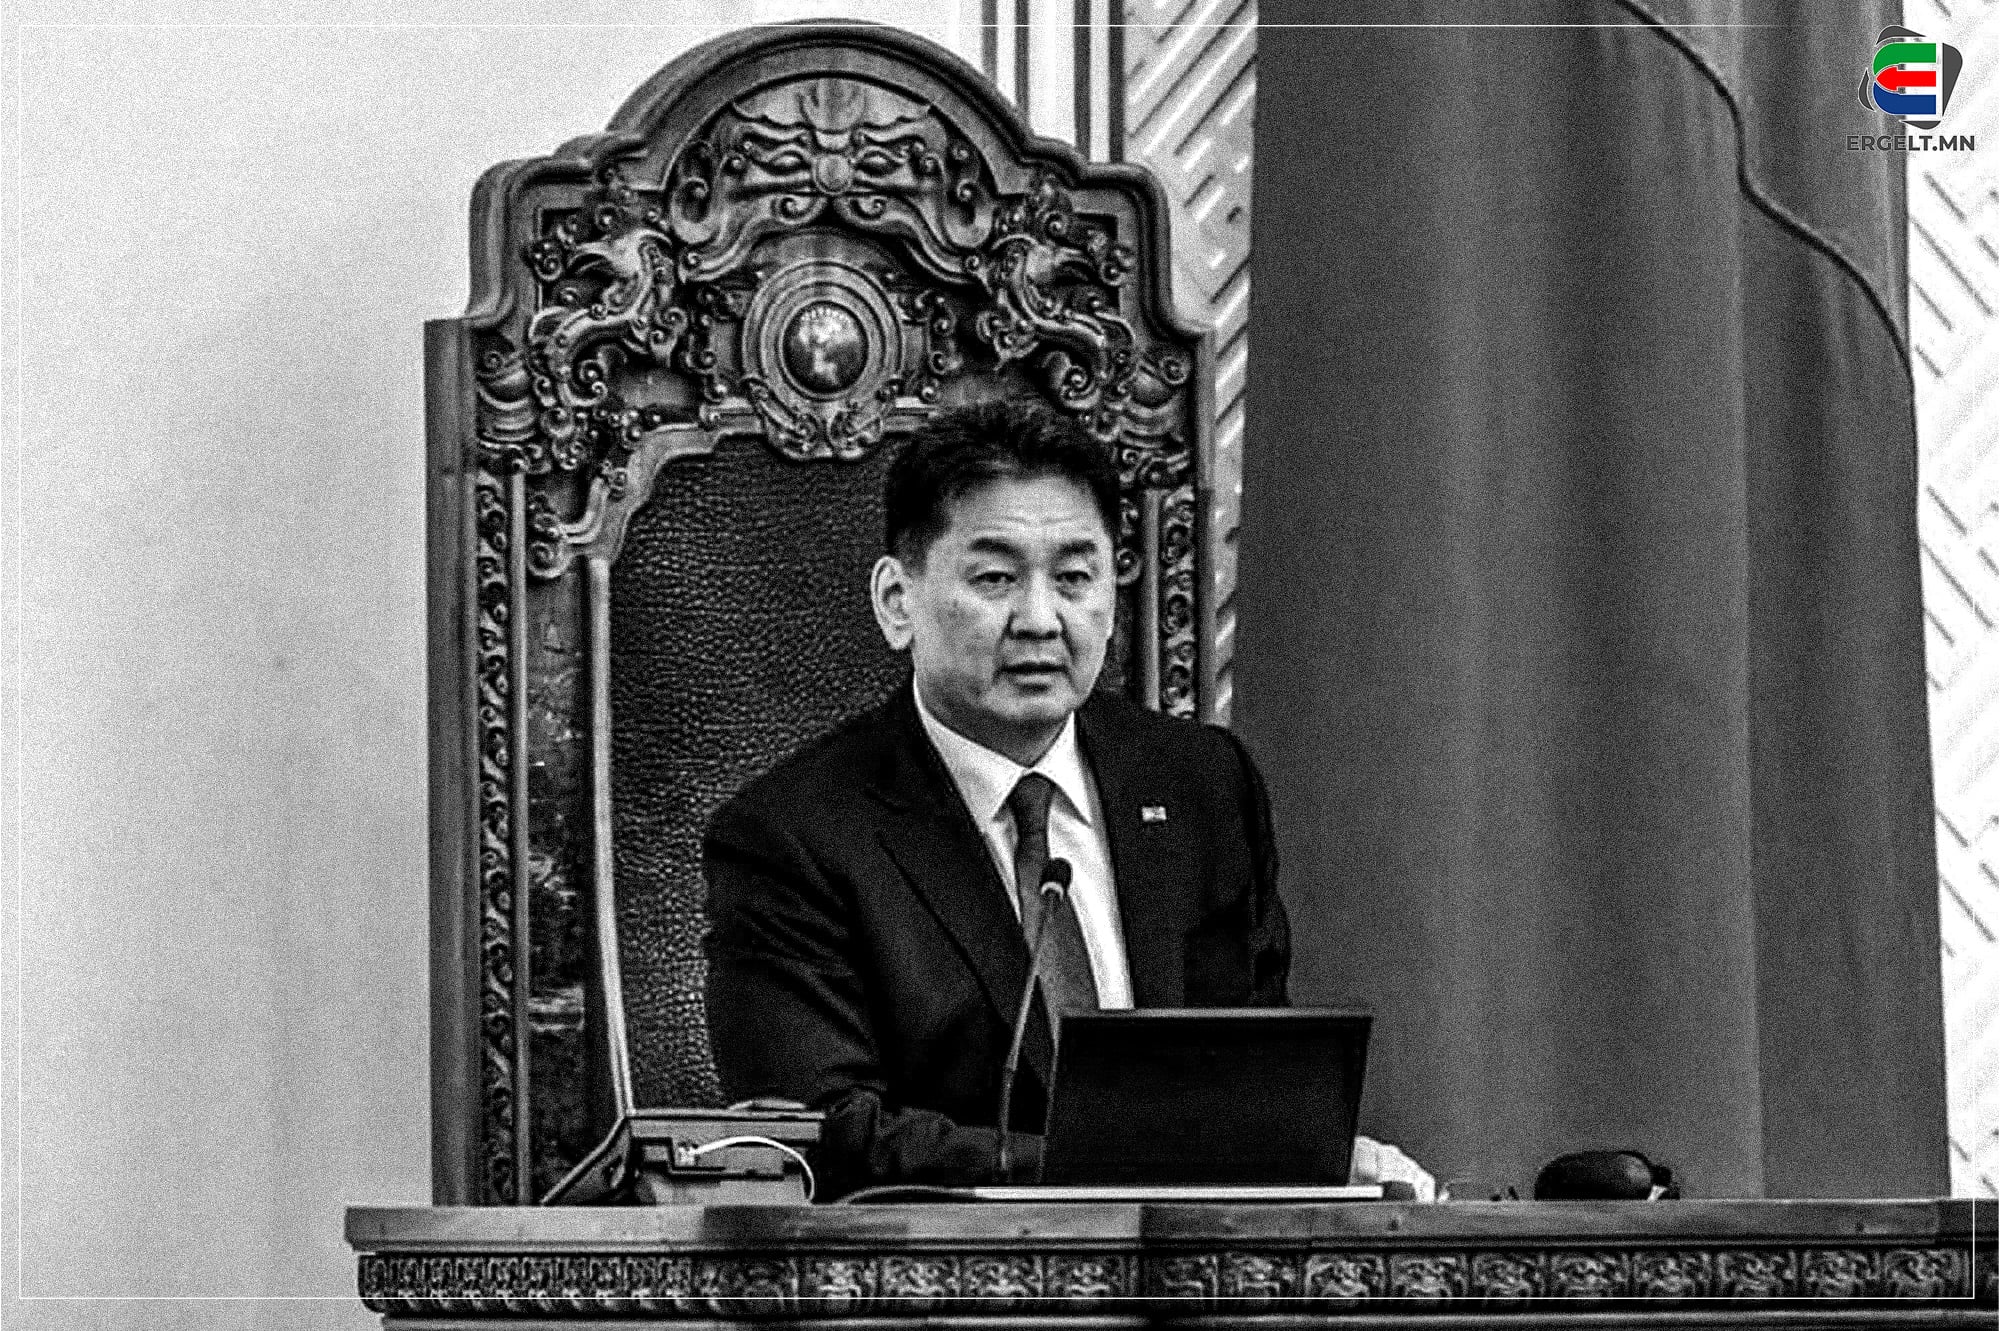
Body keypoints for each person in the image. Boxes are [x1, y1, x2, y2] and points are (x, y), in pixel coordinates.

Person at [703, 399, 1420, 1200]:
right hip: (938, 1271)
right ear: (896, 602)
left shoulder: (1202, 786)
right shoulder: (792, 835)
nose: (1041, 620)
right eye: (995, 578)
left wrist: (1313, 1154)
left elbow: (1258, 1076)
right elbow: (822, 1134)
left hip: (1200, 1270)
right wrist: (1132, 1169)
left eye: (1075, 577)